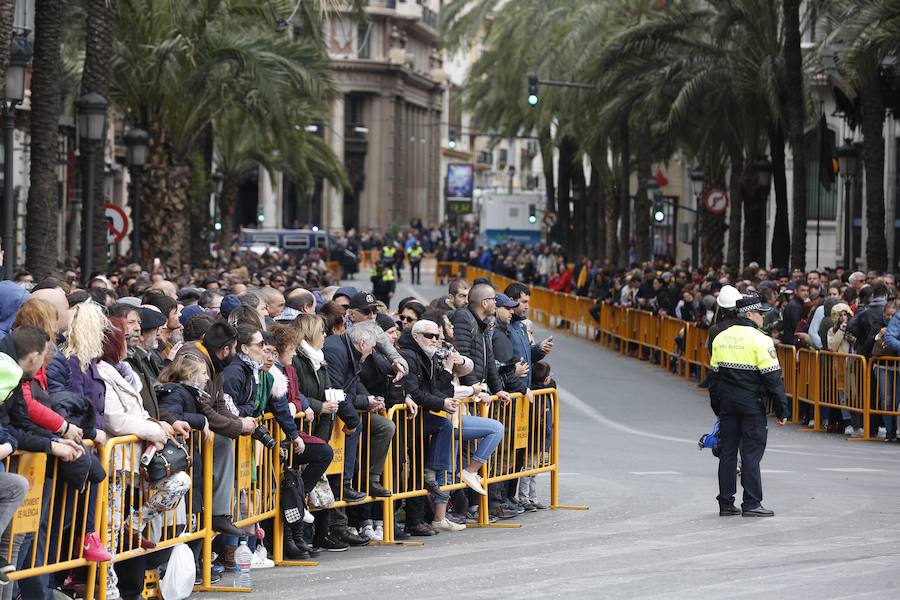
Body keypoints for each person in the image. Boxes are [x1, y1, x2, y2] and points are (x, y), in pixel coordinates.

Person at [708, 295, 790, 518]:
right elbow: (773, 378)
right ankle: (752, 503)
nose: (763, 317)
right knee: (751, 453)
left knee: (727, 453)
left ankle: (725, 503)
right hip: (751, 404)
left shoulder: (721, 338)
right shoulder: (761, 340)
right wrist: (783, 409)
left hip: (727, 404)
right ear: (750, 314)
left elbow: (713, 377)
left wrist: (717, 406)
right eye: (761, 314)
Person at [397, 320, 459, 535]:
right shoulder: (409, 355)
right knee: (403, 472)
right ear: (416, 336)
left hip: (419, 417)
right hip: (407, 419)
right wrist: (441, 403)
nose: (434, 340)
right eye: (429, 335)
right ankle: (394, 520)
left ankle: (415, 520)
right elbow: (414, 391)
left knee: (417, 470)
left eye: (436, 336)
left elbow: (440, 391)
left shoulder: (429, 356)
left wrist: (448, 370)